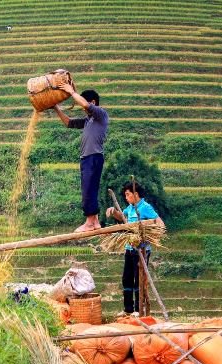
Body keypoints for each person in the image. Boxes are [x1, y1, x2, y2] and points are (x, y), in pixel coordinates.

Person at [53, 83, 109, 233]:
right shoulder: (88, 121)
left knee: (88, 190)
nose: (82, 107)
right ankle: (94, 221)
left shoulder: (100, 114)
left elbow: (83, 103)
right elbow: (68, 123)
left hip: (93, 157)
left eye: (85, 104)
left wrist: (71, 92)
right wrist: (56, 108)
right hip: (88, 158)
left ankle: (89, 222)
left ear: (93, 103)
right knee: (90, 189)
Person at [106, 181, 164, 317]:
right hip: (129, 248)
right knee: (127, 278)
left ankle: (138, 310)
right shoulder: (130, 208)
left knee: (139, 279)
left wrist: (149, 235)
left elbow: (160, 223)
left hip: (142, 250)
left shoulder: (145, 207)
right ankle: (128, 309)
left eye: (128, 194)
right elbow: (122, 217)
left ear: (135, 194)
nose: (126, 197)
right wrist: (114, 211)